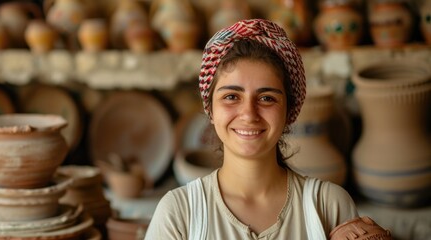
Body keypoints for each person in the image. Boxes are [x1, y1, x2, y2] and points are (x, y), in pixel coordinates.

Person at [144, 19, 360, 239]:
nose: (249, 114)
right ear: (209, 109)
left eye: (267, 98)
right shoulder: (180, 212)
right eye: (231, 97)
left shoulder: (328, 207)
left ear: (290, 110)